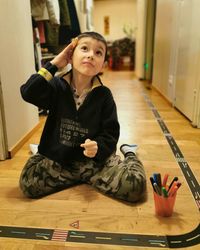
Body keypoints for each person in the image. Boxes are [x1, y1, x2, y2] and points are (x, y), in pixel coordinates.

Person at [19, 31, 146, 202]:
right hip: (60, 160)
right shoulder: (57, 86)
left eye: (98, 52)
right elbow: (28, 92)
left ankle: (129, 152)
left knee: (134, 187)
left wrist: (98, 147)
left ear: (103, 64)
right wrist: (55, 64)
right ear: (71, 55)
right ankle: (43, 154)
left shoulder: (104, 95)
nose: (91, 55)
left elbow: (110, 133)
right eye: (84, 48)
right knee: (28, 183)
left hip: (93, 163)